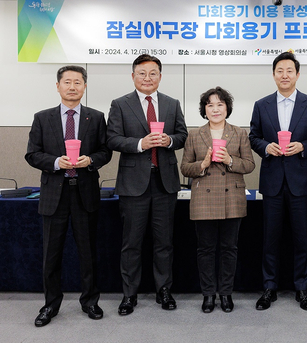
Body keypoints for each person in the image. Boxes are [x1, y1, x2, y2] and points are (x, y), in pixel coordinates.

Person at [25, 65, 112, 327]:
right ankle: (50, 305)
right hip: (54, 194)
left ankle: (90, 301)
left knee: (88, 253)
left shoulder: (95, 117)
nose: (72, 87)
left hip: (84, 193)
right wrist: (54, 162)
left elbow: (105, 151)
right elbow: (32, 154)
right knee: (51, 254)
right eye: (67, 82)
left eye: (78, 82)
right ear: (58, 86)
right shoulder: (43, 117)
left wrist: (90, 160)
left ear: (85, 87)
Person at [107, 54, 188, 315]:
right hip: (133, 184)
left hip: (165, 183)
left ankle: (163, 290)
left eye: (153, 73)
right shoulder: (120, 104)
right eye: (142, 73)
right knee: (131, 242)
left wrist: (170, 141)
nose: (147, 78)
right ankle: (129, 295)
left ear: (160, 77)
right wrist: (141, 144)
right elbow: (112, 139)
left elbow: (182, 135)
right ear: (133, 76)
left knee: (164, 242)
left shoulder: (171, 103)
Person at [249, 51, 307, 311]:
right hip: (271, 182)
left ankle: (302, 288)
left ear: (297, 74)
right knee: (270, 238)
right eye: (279, 70)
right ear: (273, 75)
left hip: (301, 182)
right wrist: (265, 147)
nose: (284, 75)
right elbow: (253, 137)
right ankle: (269, 287)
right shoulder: (261, 105)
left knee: (302, 238)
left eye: (289, 71)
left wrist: (303, 146)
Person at [180, 87, 255, 313]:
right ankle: (208, 294)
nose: (215, 109)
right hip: (204, 197)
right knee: (205, 249)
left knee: (229, 248)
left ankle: (225, 293)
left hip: (232, 196)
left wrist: (230, 160)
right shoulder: (194, 135)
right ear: (204, 109)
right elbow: (184, 167)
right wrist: (201, 165)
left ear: (227, 108)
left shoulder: (240, 133)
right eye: (210, 105)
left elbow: (250, 165)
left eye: (220, 104)